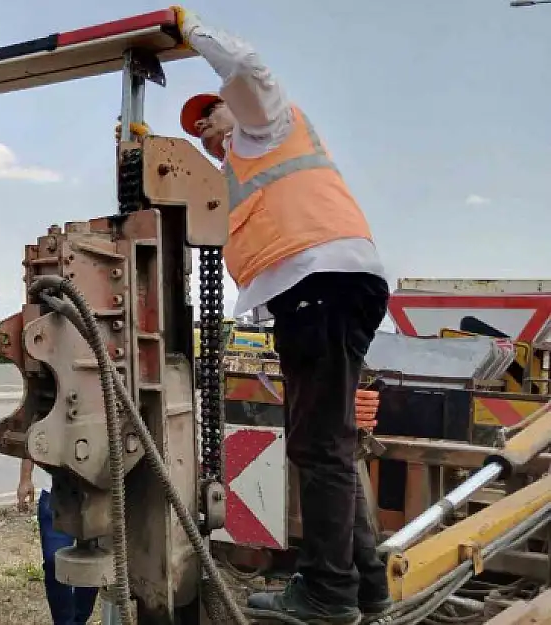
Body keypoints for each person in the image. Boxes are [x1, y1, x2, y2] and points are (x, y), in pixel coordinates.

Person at [173, 11, 392, 625]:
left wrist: (188, 29)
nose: (205, 128)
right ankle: (363, 584)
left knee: (319, 446)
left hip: (320, 284)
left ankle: (328, 593)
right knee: (327, 444)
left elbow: (244, 67)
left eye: (209, 113)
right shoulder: (237, 170)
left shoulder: (265, 125)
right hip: (325, 288)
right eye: (198, 129)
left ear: (232, 109)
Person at [17, 459, 98, 625]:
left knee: (93, 560)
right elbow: (32, 436)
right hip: (55, 492)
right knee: (54, 562)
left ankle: (79, 619)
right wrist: (25, 478)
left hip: (96, 492)